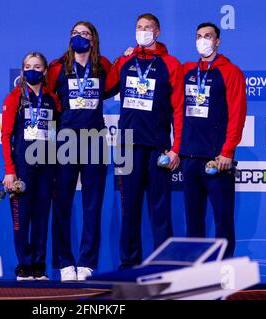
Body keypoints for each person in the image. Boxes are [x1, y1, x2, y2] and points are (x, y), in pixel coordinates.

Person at [105, 13, 184, 269]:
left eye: (148, 27)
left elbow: (179, 109)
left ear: (157, 32)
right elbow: (104, 88)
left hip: (158, 146)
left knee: (160, 211)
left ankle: (165, 266)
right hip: (128, 145)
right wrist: (119, 59)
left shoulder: (171, 64)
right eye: (139, 27)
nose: (143, 31)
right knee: (129, 210)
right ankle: (129, 265)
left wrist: (176, 148)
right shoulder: (126, 61)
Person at [48, 21, 112, 281]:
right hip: (65, 140)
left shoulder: (103, 66)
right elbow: (46, 99)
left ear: (93, 40)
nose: (80, 37)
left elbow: (121, 80)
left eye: (85, 34)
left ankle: (87, 263)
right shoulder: (56, 68)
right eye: (75, 33)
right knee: (62, 202)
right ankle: (65, 263)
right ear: (69, 38)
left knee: (92, 204)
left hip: (95, 138)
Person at [180, 22, 246, 258]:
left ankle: (225, 270)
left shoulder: (231, 71)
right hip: (189, 157)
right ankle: (196, 275)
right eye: (199, 36)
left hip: (217, 159)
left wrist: (228, 151)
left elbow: (237, 114)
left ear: (217, 41)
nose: (203, 40)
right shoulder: (186, 70)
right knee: (193, 222)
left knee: (222, 220)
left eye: (208, 36)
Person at [1, 52, 61, 280]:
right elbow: (6, 136)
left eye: (37, 66)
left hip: (46, 168)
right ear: (22, 70)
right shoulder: (14, 97)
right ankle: (24, 267)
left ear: (45, 71)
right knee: (22, 218)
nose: (32, 70)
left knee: (42, 219)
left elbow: (57, 135)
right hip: (22, 168)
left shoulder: (52, 99)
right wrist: (10, 170)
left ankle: (38, 267)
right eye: (28, 66)